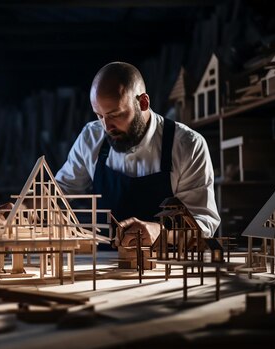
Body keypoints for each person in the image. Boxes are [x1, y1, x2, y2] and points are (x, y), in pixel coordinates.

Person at [54, 61, 220, 248]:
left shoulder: (187, 145)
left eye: (115, 114)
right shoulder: (91, 137)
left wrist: (161, 232)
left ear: (143, 103)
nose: (107, 127)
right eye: (99, 116)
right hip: (103, 263)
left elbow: (204, 224)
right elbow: (60, 192)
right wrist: (28, 208)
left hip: (163, 269)